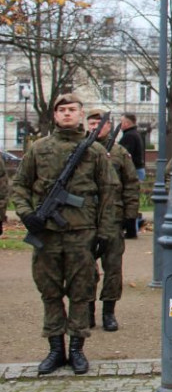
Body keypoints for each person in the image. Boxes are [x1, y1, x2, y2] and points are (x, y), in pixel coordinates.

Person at [12, 94, 117, 375]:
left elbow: (109, 193)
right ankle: (56, 349)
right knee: (50, 292)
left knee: (81, 292)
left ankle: (77, 349)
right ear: (55, 115)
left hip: (82, 233)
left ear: (81, 114)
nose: (67, 114)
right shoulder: (39, 149)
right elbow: (20, 186)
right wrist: (27, 214)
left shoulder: (94, 152)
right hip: (46, 234)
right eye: (62, 110)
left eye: (72, 109)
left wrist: (104, 233)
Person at [87, 108, 140, 333]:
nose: (95, 126)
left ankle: (109, 312)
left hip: (114, 218)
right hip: (84, 219)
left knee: (113, 268)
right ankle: (86, 311)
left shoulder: (119, 152)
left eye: (100, 122)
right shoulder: (79, 151)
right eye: (91, 122)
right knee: (84, 269)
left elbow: (131, 184)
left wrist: (130, 216)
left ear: (109, 126)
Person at [118, 113, 146, 181]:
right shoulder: (136, 133)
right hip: (139, 169)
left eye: (121, 122)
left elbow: (124, 154)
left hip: (133, 170)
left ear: (126, 123)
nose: (119, 124)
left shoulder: (129, 136)